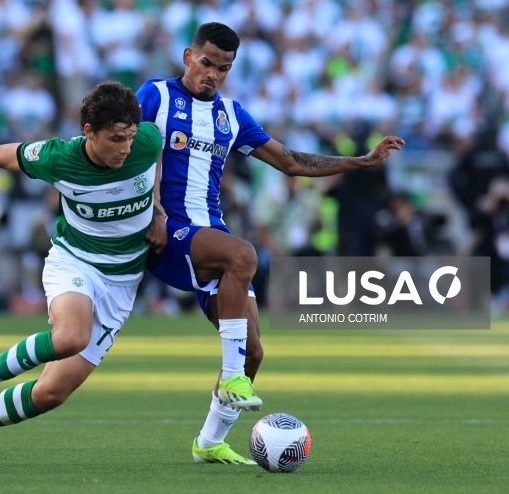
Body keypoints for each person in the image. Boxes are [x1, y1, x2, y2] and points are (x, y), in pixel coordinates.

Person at [136, 22, 405, 464]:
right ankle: (231, 379)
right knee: (244, 254)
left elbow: (291, 161)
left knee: (255, 353)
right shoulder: (155, 96)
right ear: (188, 56)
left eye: (223, 68)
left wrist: (363, 161)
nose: (212, 75)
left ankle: (207, 443)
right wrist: (153, 212)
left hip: (209, 234)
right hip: (169, 231)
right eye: (206, 64)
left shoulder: (231, 115)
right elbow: (126, 150)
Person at [0, 81, 163, 466]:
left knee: (51, 393)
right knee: (70, 337)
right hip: (75, 262)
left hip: (122, 282)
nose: (126, 148)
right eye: (116, 139)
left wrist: (158, 210)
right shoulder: (57, 157)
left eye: (129, 138)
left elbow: (152, 160)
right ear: (88, 132)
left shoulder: (147, 141)